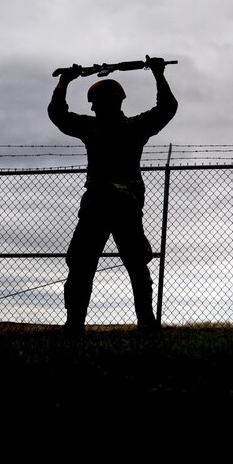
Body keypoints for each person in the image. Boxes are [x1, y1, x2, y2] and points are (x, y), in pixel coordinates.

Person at [48, 57, 177, 336]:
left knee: (83, 264)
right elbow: (167, 108)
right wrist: (158, 74)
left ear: (96, 105)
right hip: (126, 204)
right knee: (134, 265)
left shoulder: (90, 127)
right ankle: (146, 322)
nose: (94, 108)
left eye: (94, 103)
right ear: (120, 101)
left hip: (98, 204)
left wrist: (64, 82)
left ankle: (74, 324)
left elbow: (57, 114)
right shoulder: (134, 127)